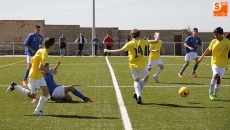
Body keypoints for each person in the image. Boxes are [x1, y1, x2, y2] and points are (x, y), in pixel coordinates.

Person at [104, 29, 160, 104]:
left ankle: (138, 94)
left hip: (133, 65)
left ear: (131, 35)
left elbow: (120, 51)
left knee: (136, 80)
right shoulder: (142, 41)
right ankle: (138, 93)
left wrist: (108, 51)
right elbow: (156, 41)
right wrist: (157, 34)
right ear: (139, 35)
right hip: (142, 65)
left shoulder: (130, 43)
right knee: (146, 77)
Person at [6, 37, 56, 116]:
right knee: (33, 95)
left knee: (46, 91)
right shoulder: (45, 54)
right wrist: (51, 71)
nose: (53, 47)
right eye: (53, 45)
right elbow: (40, 66)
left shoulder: (41, 50)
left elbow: (33, 60)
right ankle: (15, 86)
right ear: (51, 46)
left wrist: (41, 70)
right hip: (34, 76)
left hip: (38, 75)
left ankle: (37, 111)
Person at [198, 27, 230, 101]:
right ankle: (210, 91)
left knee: (218, 79)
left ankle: (215, 94)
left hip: (223, 64)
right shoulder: (213, 41)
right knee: (215, 75)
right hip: (214, 62)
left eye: (217, 35)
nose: (215, 36)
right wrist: (201, 57)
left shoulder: (227, 42)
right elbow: (208, 49)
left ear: (222, 34)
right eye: (215, 35)